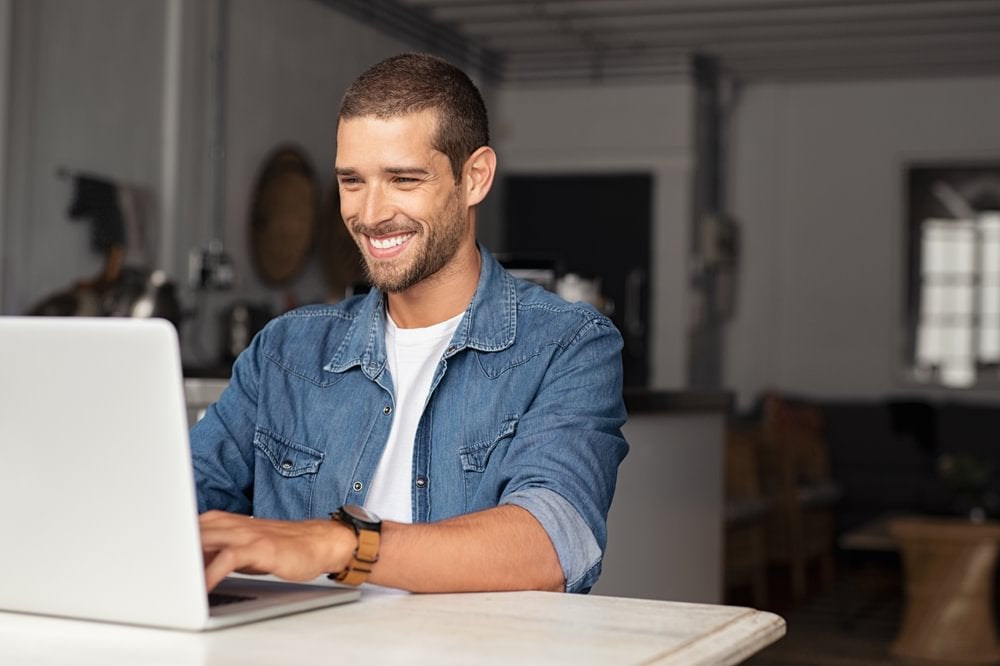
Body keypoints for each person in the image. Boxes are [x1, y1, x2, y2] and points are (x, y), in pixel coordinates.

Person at [192, 52, 628, 595]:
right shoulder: (284, 350)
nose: (371, 214)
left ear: (474, 178)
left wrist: (340, 544)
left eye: (403, 179)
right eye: (352, 181)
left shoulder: (568, 345)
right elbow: (175, 503)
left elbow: (550, 544)